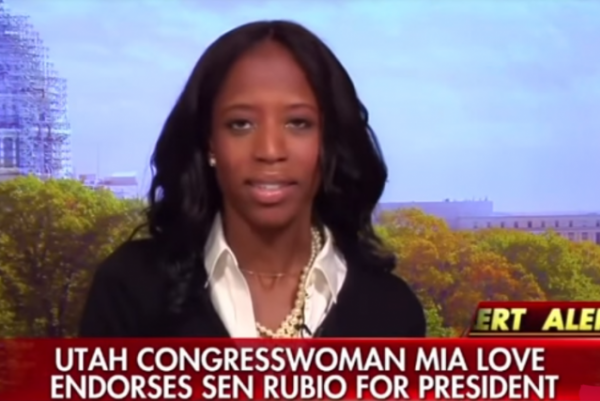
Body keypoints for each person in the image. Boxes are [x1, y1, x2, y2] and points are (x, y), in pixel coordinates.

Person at [79, 20, 426, 338]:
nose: (270, 150)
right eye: (241, 124)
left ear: (329, 142)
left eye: (298, 123)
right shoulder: (130, 288)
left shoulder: (392, 313)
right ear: (210, 142)